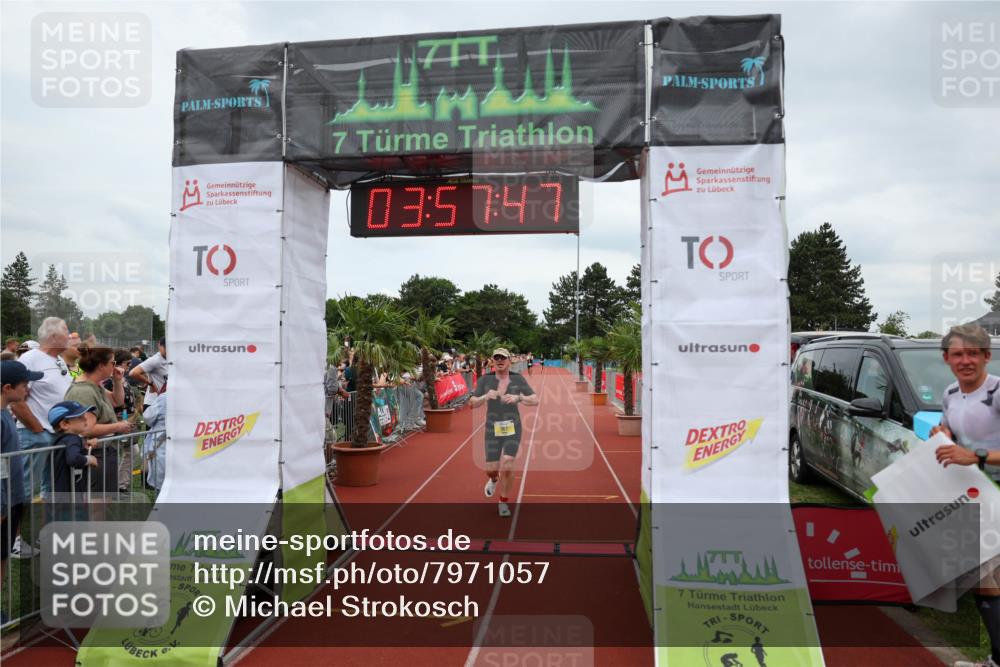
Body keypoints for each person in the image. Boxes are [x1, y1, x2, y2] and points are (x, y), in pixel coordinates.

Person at [932, 324, 1000, 667]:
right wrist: (943, 436)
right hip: (975, 496)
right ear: (946, 359)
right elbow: (956, 437)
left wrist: (979, 456)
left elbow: (975, 452)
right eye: (958, 354)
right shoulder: (949, 394)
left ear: (987, 356)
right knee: (984, 581)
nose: (966, 360)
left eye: (973, 353)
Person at [9, 318, 73, 506]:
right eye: (65, 330)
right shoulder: (29, 359)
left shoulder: (59, 360)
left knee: (51, 489)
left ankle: (46, 531)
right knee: (24, 489)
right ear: (53, 336)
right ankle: (15, 535)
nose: (69, 335)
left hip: (56, 434)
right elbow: (16, 400)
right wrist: (38, 430)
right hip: (36, 435)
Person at [470, 347, 538, 517]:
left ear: (509, 361)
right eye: (496, 358)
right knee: (491, 469)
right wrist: (484, 397)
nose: (499, 360)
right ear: (492, 361)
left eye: (503, 357)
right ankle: (494, 479)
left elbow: (535, 399)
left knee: (508, 464)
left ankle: (503, 502)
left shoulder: (517, 378)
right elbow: (472, 403)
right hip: (492, 429)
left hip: (512, 427)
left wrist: (519, 398)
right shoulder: (485, 380)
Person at [65, 345, 132, 495]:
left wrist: (117, 380)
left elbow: (117, 401)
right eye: (113, 363)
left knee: (103, 501)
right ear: (101, 365)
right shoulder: (84, 391)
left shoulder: (94, 386)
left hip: (103, 452)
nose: (116, 367)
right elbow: (88, 428)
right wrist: (118, 426)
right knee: (97, 504)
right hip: (96, 453)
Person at [2, 361, 43, 580]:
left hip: (10, 500)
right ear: (7, 388)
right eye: (24, 384)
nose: (28, 389)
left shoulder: (6, 414)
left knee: (3, 556)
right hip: (3, 503)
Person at [47, 401, 100, 502]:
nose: (85, 419)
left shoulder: (63, 439)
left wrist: (85, 444)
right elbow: (73, 458)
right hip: (70, 493)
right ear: (65, 424)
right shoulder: (72, 439)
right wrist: (90, 459)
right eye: (80, 417)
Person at [129, 338, 167, 409]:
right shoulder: (155, 360)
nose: (167, 350)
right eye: (165, 347)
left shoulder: (171, 359)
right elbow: (133, 373)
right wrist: (150, 383)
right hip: (153, 403)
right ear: (159, 345)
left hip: (166, 401)